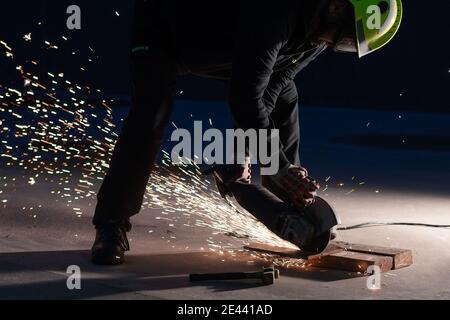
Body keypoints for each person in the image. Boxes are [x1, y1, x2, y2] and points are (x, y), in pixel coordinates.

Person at [91, 0, 403, 265]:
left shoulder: (319, 35)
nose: (334, 44)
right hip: (164, 31)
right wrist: (274, 162)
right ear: (335, 6)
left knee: (285, 96)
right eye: (343, 36)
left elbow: (274, 86)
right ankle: (111, 225)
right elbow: (245, 94)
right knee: (151, 113)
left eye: (346, 44)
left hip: (227, 47)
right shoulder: (278, 11)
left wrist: (265, 162)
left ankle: (285, 192)